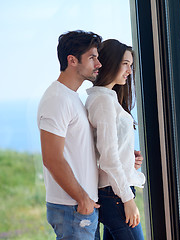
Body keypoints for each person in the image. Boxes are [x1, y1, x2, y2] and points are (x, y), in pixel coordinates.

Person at [37, 30, 102, 239]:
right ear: (72, 60)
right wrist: (83, 200)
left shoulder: (71, 97)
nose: (98, 64)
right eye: (92, 57)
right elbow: (52, 159)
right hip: (72, 208)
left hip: (80, 207)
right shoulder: (57, 99)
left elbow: (81, 150)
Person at [85, 39, 146, 240]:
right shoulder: (103, 100)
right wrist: (128, 200)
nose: (129, 70)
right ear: (110, 63)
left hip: (114, 191)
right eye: (125, 64)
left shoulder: (107, 98)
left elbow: (109, 150)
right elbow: (109, 158)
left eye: (131, 65)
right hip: (115, 195)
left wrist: (129, 158)